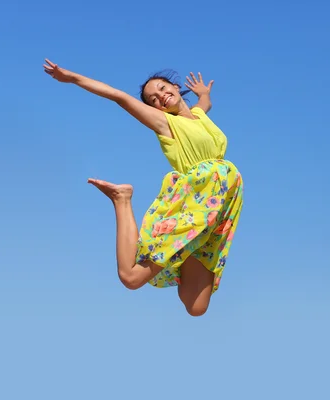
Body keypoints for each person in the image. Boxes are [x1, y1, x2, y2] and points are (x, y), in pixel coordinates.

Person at [43, 59, 244, 316]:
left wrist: (204, 95)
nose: (160, 97)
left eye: (162, 88)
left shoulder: (198, 116)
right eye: (153, 100)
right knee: (131, 277)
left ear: (174, 85)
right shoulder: (165, 124)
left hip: (219, 202)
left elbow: (204, 105)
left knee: (196, 307)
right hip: (196, 200)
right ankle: (121, 199)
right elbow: (119, 97)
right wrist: (72, 77)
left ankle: (186, 248)